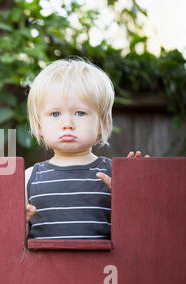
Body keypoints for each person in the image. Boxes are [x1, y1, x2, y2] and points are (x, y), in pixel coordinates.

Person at [25, 57, 149, 240]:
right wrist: (18, 222)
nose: (67, 123)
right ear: (39, 124)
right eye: (55, 114)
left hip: (101, 268)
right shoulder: (28, 178)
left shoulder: (114, 175)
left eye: (80, 113)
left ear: (102, 123)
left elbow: (138, 234)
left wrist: (134, 193)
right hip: (44, 269)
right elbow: (16, 246)